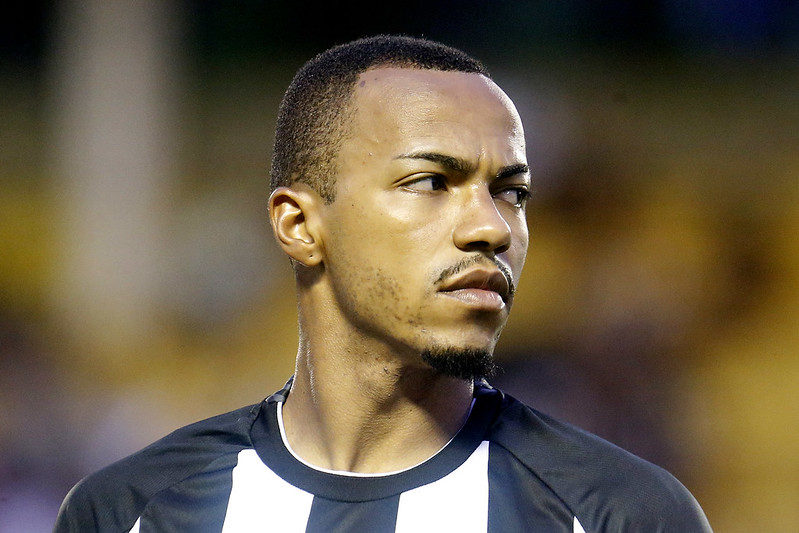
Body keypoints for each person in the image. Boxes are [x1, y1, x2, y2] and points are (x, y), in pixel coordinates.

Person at [54, 35, 712, 532]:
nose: (490, 227)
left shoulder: (621, 512)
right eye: (430, 182)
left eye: (511, 192)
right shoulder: (130, 508)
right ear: (299, 224)